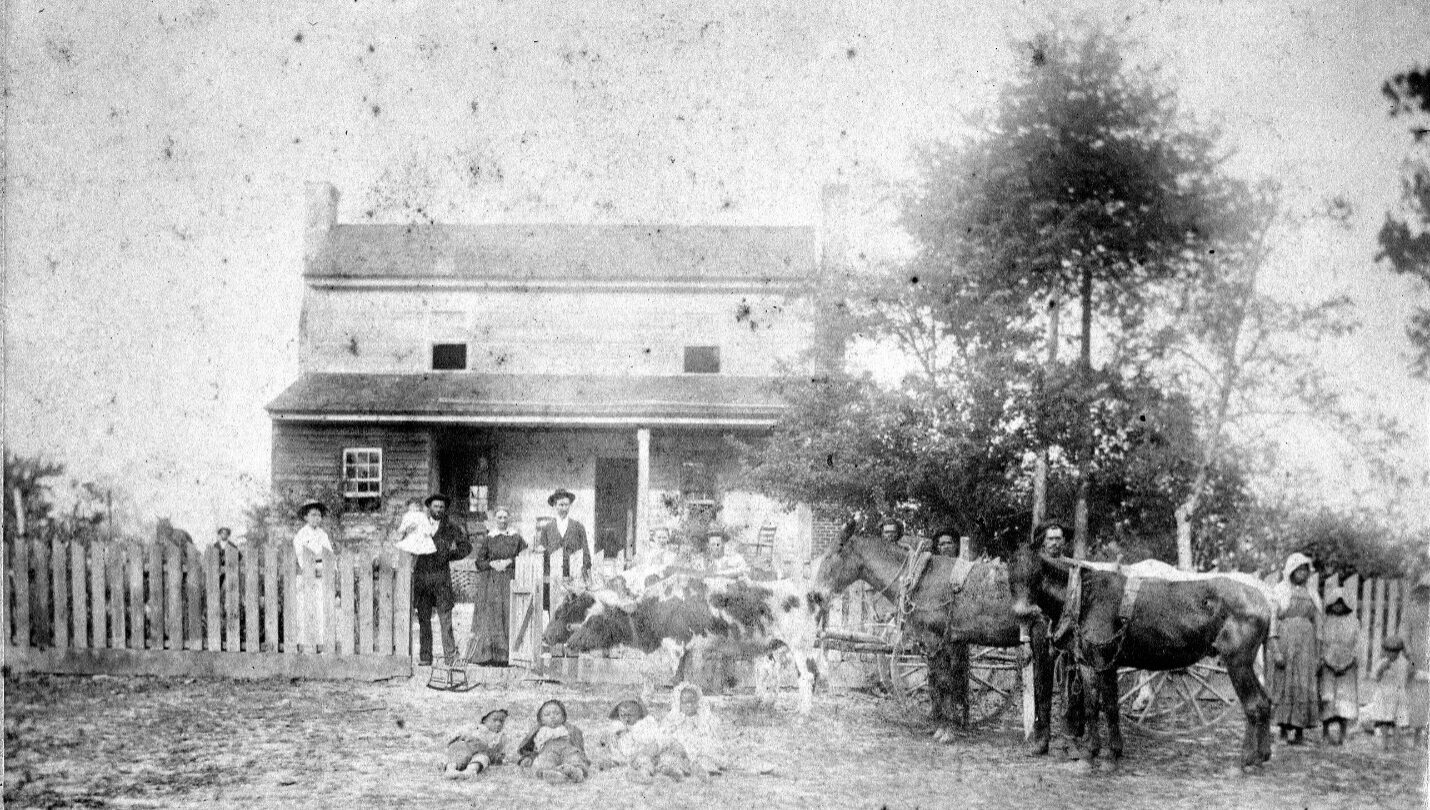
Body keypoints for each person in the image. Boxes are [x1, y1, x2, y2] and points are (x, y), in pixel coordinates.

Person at [412, 494, 472, 666]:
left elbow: (466, 547)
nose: (438, 510)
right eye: (435, 506)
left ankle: (450, 657)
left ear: (444, 509)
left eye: (441, 507)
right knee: (424, 619)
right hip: (422, 577)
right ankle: (425, 657)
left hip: (441, 579)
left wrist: (449, 555)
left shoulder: (450, 527)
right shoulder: (419, 525)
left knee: (445, 619)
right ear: (429, 508)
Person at [1269, 552, 1320, 745]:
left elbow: (1318, 622)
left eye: (1305, 570)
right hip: (1286, 640)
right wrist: (1275, 648)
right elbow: (1273, 619)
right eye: (1298, 570)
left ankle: (1299, 732)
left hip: (1307, 644)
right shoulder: (1281, 590)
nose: (1302, 574)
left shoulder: (1312, 593)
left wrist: (1318, 650)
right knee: (1285, 682)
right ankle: (1282, 730)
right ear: (1290, 571)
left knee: (1303, 683)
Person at [466, 508, 526, 666]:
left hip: (509, 581)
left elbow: (525, 557)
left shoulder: (516, 537)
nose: (502, 520)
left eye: (505, 517)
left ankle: (506, 657)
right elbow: (479, 562)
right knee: (492, 616)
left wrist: (510, 562)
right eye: (499, 517)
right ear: (495, 519)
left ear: (509, 518)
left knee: (507, 614)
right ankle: (488, 656)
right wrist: (491, 563)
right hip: (491, 583)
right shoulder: (489, 538)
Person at [1318, 585, 1359, 746]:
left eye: (1341, 603)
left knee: (1344, 700)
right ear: (1330, 604)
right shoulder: (1325, 622)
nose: (1338, 606)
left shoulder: (1354, 622)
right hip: (1328, 665)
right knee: (1328, 698)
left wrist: (1349, 662)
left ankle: (1343, 732)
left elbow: (1357, 645)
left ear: (1347, 605)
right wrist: (1326, 661)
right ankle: (1326, 732)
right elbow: (1321, 643)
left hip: (1347, 666)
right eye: (1335, 603)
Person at [659, 682, 726, 781]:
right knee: (670, 757)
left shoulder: (703, 717)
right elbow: (665, 733)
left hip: (698, 747)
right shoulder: (674, 718)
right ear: (679, 703)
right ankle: (677, 771)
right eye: (685, 702)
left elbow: (710, 734)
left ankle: (700, 769)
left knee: (705, 757)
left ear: (698, 702)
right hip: (681, 748)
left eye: (693, 702)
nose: (689, 705)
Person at [293, 500, 335, 650]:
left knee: (321, 609)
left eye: (318, 515)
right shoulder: (301, 535)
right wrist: (315, 559)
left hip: (322, 576)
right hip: (307, 576)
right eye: (312, 515)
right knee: (305, 610)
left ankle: (321, 644)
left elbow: (329, 554)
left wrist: (328, 567)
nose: (316, 518)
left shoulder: (323, 534)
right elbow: (302, 556)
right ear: (305, 517)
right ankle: (304, 645)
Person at [516, 699, 590, 784]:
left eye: (557, 713)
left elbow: (578, 743)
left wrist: (581, 754)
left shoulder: (569, 728)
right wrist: (529, 757)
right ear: (541, 720)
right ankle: (552, 774)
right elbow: (533, 748)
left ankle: (575, 771)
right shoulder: (540, 731)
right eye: (547, 714)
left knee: (574, 757)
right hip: (548, 750)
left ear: (563, 717)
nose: (552, 716)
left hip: (567, 749)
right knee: (545, 761)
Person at [593, 699, 667, 782]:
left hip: (640, 751)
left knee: (644, 761)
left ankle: (644, 774)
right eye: (623, 715)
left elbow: (650, 738)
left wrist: (632, 732)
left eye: (630, 715)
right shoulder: (618, 725)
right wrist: (606, 739)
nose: (626, 718)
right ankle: (613, 763)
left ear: (638, 715)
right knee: (612, 756)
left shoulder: (642, 724)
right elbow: (607, 737)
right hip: (623, 754)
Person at [1367, 635, 1414, 751]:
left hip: (1398, 694)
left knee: (1398, 719)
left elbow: (1410, 673)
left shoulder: (1403, 663)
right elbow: (1375, 677)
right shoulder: (1382, 662)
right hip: (1384, 694)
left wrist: (1409, 659)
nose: (1390, 655)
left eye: (1394, 652)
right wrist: (1382, 669)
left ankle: (1396, 742)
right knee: (1384, 720)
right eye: (1387, 651)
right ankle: (1384, 743)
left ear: (1399, 652)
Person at [536, 489, 590, 576]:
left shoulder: (578, 527)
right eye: (561, 505)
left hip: (574, 576)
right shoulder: (547, 528)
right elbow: (542, 554)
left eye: (566, 505)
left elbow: (586, 553)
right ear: (554, 505)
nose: (564, 508)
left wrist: (584, 572)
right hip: (552, 576)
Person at [442, 708, 509, 778]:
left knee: (482, 759)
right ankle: (450, 769)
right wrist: (460, 738)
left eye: (502, 721)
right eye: (494, 720)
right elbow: (457, 736)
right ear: (484, 720)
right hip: (466, 747)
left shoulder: (499, 737)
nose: (498, 724)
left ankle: (470, 771)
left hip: (481, 752)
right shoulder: (474, 728)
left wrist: (500, 758)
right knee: (458, 756)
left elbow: (497, 753)